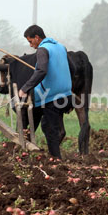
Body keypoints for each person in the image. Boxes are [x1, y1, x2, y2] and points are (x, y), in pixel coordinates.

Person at [18, 25, 73, 159]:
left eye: (31, 41)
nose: (31, 45)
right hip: (66, 95)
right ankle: (51, 155)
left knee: (49, 127)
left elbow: (41, 70)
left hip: (51, 96)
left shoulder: (43, 49)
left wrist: (25, 88)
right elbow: (71, 67)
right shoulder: (61, 47)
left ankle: (56, 160)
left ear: (37, 37)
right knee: (49, 124)